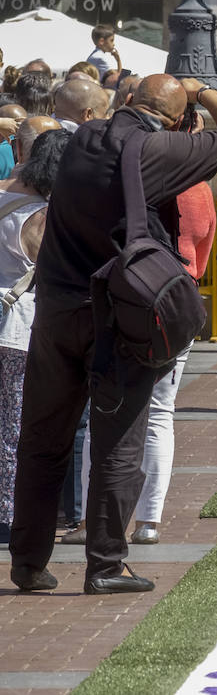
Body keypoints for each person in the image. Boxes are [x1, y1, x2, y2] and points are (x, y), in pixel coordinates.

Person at [8, 76, 217, 595]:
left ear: (125, 101)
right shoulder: (158, 147)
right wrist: (202, 93)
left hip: (55, 310)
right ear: (172, 119)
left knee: (42, 441)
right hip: (117, 313)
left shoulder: (81, 138)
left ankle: (29, 561)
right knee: (117, 441)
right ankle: (105, 565)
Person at [130, 110, 216, 546]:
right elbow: (203, 249)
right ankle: (149, 518)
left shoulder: (139, 175)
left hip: (135, 296)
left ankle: (97, 519)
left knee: (106, 410)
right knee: (161, 412)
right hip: (180, 299)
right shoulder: (200, 187)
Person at [0, 128, 68, 545]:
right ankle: (10, 515)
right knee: (14, 426)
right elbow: (51, 267)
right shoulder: (41, 214)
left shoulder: (4, 199)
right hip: (18, 327)